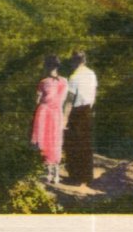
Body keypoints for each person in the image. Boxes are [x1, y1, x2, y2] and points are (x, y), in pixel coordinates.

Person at [30, 54, 68, 184]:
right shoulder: (64, 81)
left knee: (45, 142)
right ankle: (56, 174)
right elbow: (63, 100)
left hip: (44, 113)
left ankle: (49, 174)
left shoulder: (43, 82)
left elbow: (37, 100)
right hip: (57, 113)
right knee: (56, 142)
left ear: (47, 66)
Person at [63, 50, 98, 186]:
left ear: (74, 61)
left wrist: (64, 118)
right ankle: (87, 177)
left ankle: (75, 177)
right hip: (88, 110)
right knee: (86, 144)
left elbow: (70, 100)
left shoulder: (74, 77)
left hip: (77, 112)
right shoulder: (91, 74)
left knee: (74, 144)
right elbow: (94, 94)